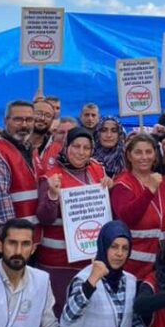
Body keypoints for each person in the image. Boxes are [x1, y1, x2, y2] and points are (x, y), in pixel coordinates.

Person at [36, 128, 111, 313]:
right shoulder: (52, 176)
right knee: (59, 311)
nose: (81, 152)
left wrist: (110, 187)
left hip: (89, 259)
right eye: (76, 146)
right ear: (66, 147)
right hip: (57, 261)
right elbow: (44, 218)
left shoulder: (96, 170)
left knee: (85, 311)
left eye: (86, 148)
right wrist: (53, 194)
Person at [110, 133, 165, 279]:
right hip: (133, 268)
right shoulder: (122, 184)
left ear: (155, 155)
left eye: (148, 152)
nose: (144, 157)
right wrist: (149, 190)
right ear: (129, 156)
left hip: (164, 266)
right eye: (138, 152)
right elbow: (128, 217)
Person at [0, 100, 40, 239]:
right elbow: (0, 201)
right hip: (14, 240)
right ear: (6, 121)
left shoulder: (31, 150)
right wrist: (12, 238)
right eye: (18, 119)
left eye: (29, 120)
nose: (24, 125)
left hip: (32, 237)